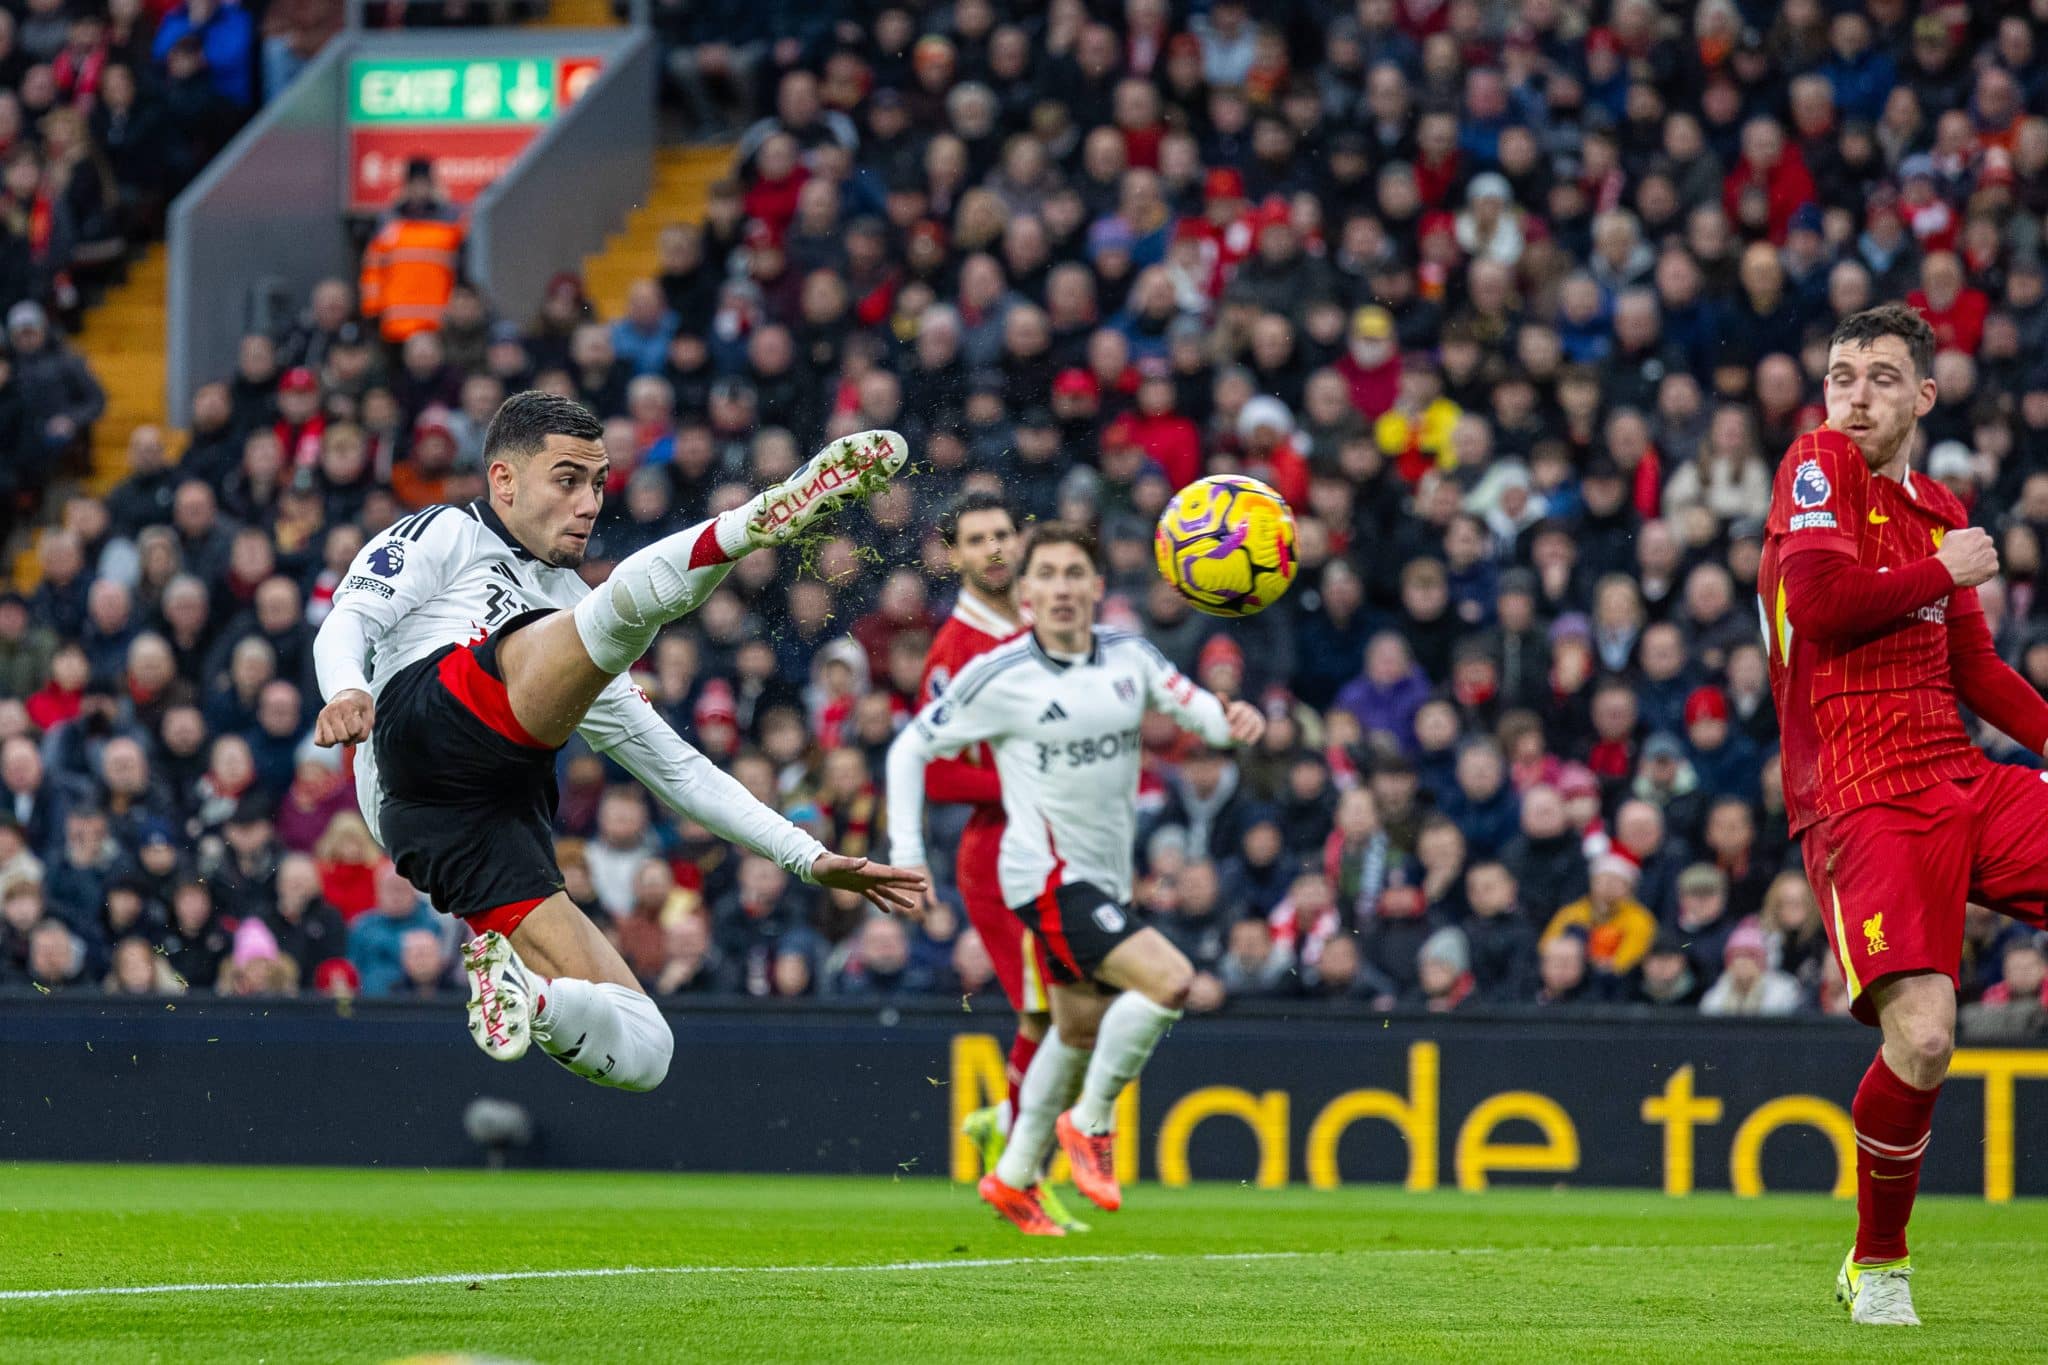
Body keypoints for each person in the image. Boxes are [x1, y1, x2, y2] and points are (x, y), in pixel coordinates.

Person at [312, 391, 920, 1092]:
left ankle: (520, 990)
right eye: (567, 479)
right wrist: (345, 688)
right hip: (416, 734)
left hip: (468, 833)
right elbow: (348, 617)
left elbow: (680, 771)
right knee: (603, 622)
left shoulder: (573, 613)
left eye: (598, 483)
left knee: (645, 1047)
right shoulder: (449, 532)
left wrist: (808, 857)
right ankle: (753, 522)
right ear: (504, 480)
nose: (589, 502)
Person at [1759, 303, 2048, 1326]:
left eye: (1880, 378)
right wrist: (1946, 569)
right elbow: (1825, 602)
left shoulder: (1933, 503)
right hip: (1860, 800)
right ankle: (1876, 1260)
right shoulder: (1812, 468)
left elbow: (1976, 670)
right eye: (1840, 376)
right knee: (1924, 1039)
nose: (1854, 397)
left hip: (1958, 776)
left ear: (1923, 395)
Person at [887, 523, 1263, 1234]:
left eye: (1074, 574)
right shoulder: (1000, 676)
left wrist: (1231, 717)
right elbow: (911, 749)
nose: (1062, 587)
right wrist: (909, 851)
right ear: (1025, 594)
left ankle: (1014, 1175)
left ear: (1098, 587)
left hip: (1104, 879)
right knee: (1171, 981)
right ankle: (1090, 1122)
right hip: (1042, 876)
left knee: (1077, 1026)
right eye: (1048, 576)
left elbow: (1195, 710)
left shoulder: (1130, 656)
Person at [913, 491, 1082, 1227]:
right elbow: (937, 772)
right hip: (997, 858)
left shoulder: (1040, 625)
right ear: (952, 554)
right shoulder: (954, 653)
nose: (993, 549)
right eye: (975, 538)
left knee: (1071, 1015)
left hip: (1059, 847)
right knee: (1058, 1015)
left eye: (1002, 533)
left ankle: (1006, 1130)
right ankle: (1018, 1164)